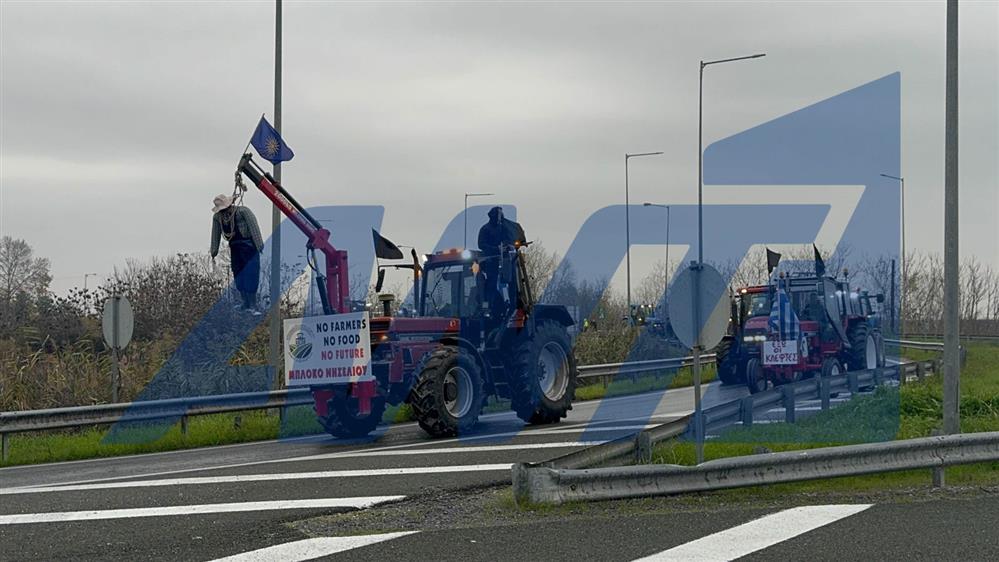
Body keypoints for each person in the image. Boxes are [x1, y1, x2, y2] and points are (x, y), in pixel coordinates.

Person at [210, 194, 264, 314]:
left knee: (251, 274)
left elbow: (254, 227)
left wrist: (259, 245)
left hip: (249, 247)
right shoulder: (218, 218)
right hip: (235, 248)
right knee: (238, 274)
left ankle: (253, 304)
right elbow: (215, 234)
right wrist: (214, 251)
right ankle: (245, 302)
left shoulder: (243, 212)